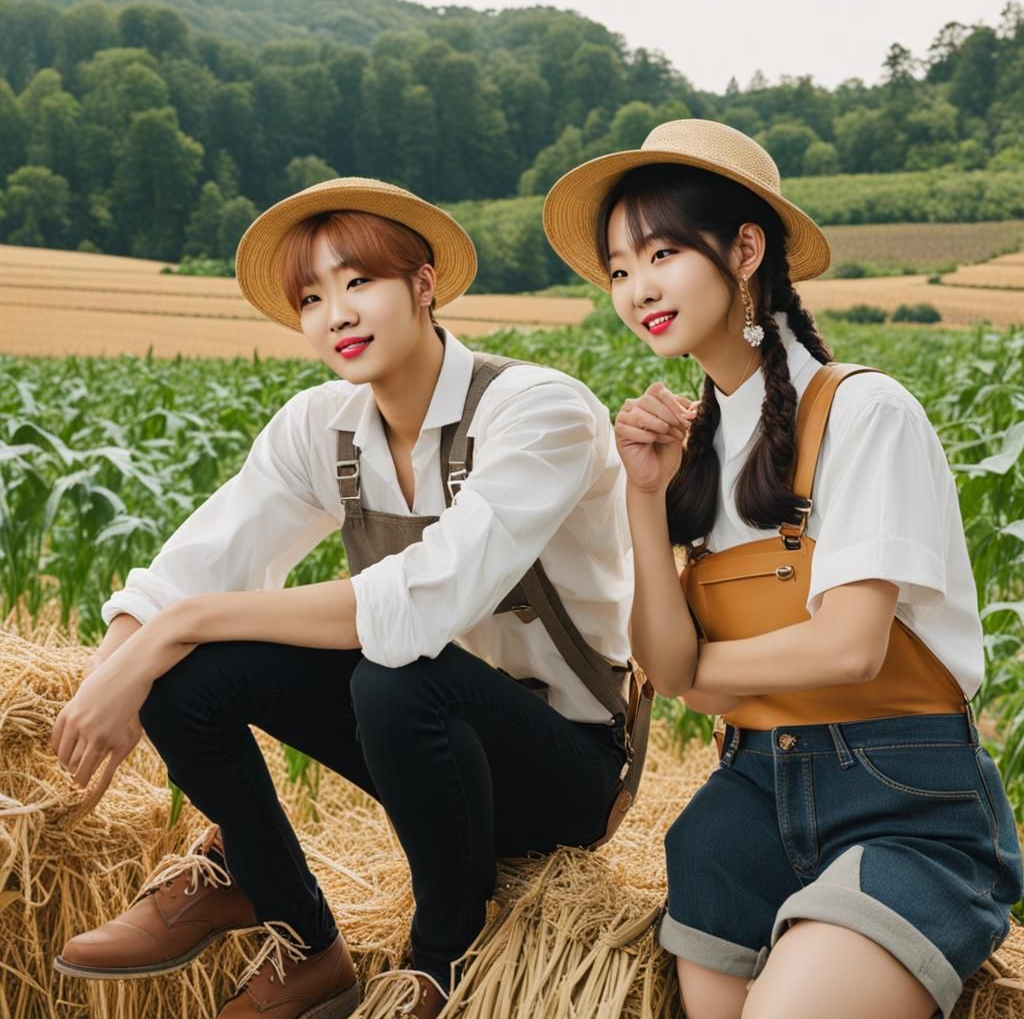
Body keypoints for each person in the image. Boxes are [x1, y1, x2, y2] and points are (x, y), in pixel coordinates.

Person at [51, 177, 647, 1019]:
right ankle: (297, 932)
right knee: (192, 677)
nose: (337, 312)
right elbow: (197, 565)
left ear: (424, 284)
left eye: (358, 281)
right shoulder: (321, 428)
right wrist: (112, 672)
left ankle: (439, 962)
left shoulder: (538, 412)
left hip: (561, 768)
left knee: (395, 673)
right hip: (417, 755)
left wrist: (176, 627)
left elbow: (421, 604)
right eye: (311, 296)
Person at [541, 119, 1023, 1019]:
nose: (636, 286)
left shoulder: (865, 412)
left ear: (746, 249)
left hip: (901, 803)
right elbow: (663, 656)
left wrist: (691, 674)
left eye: (662, 252)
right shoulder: (693, 448)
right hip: (747, 805)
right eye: (617, 268)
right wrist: (645, 498)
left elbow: (848, 649)